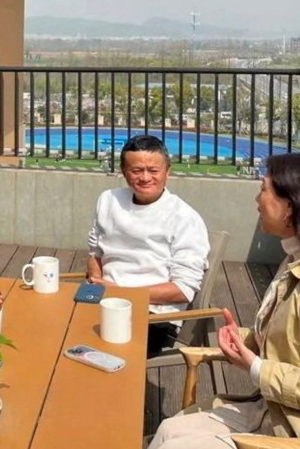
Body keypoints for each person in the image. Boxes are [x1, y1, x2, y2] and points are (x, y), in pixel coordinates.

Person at [148, 153, 300, 449]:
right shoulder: (299, 257)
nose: (257, 200)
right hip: (280, 411)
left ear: (291, 207)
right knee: (170, 429)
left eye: (263, 189)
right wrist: (248, 340)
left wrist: (257, 367)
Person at [87, 135, 209, 356]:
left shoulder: (184, 218)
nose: (145, 178)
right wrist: (96, 280)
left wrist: (123, 293)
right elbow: (95, 252)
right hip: (103, 300)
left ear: (167, 171)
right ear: (124, 172)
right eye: (136, 171)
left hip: (154, 314)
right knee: (54, 327)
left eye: (153, 170)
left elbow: (183, 290)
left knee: (91, 345)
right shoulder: (108, 200)